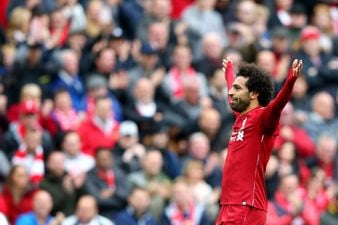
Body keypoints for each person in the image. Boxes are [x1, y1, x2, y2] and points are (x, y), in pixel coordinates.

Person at [215, 57, 303, 225]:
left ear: (254, 94)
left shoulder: (263, 119)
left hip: (247, 206)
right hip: (229, 204)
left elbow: (277, 105)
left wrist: (290, 82)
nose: (231, 92)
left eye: (237, 88)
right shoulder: (241, 118)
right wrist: (229, 73)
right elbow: (231, 98)